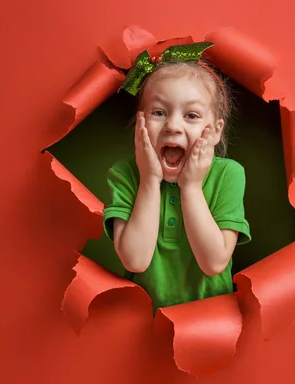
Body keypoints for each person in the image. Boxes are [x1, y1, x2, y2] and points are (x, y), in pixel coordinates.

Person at [102, 42, 251, 311]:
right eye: (159, 112)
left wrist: (191, 187)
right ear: (141, 124)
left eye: (191, 115)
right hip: (141, 323)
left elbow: (214, 262)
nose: (172, 125)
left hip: (208, 324)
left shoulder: (229, 174)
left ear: (216, 131)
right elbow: (135, 261)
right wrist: (149, 180)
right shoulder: (124, 174)